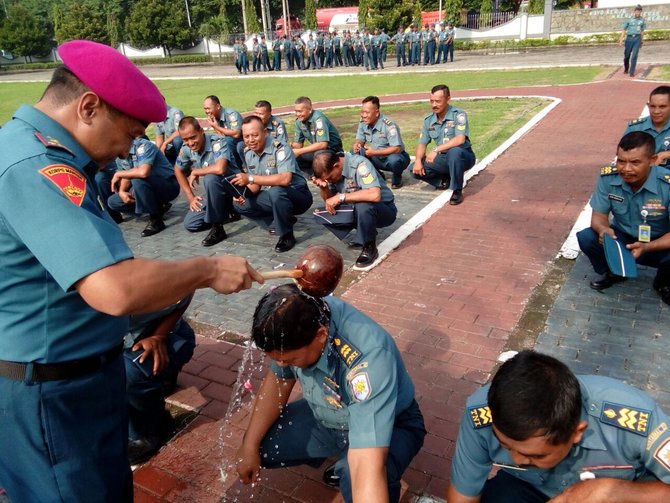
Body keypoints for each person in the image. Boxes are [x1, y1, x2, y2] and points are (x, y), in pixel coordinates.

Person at [0, 39, 261, 503]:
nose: (127, 151)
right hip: (52, 395)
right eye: (129, 133)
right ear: (88, 107)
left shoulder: (31, 149)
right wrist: (207, 269)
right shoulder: (36, 166)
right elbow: (113, 288)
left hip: (72, 379)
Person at [235, 284, 426, 503]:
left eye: (290, 360)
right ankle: (344, 456)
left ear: (321, 335)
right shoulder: (300, 318)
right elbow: (279, 380)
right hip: (329, 415)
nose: (281, 365)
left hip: (394, 424)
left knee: (357, 478)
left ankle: (356, 466)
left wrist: (359, 470)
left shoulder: (369, 361)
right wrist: (249, 445)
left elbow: (366, 462)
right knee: (261, 443)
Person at [446, 350, 670, 503]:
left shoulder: (635, 421)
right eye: (505, 445)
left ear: (576, 432)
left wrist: (613, 491)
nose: (516, 460)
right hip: (529, 488)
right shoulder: (482, 415)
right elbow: (463, 495)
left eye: (534, 456)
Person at [576, 131, 670, 303]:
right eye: (621, 161)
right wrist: (604, 230)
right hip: (623, 239)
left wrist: (647, 247)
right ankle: (615, 271)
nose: (626, 169)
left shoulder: (667, 184)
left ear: (652, 160)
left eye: (635, 163)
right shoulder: (608, 178)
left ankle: (664, 283)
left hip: (659, 243)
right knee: (587, 237)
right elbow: (598, 216)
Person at [125, 293, 195, 465]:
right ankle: (161, 379)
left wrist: (159, 336)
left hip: (171, 335)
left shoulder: (163, 269)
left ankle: (149, 430)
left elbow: (188, 287)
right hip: (125, 338)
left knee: (130, 372)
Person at [230, 116, 313, 253]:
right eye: (246, 136)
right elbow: (256, 184)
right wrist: (242, 194)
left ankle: (286, 235)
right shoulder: (248, 152)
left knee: (276, 191)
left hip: (298, 196)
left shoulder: (280, 148)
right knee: (240, 203)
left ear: (264, 132)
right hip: (275, 196)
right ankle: (278, 221)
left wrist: (250, 178)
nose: (250, 140)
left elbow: (285, 179)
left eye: (255, 135)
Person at [311, 150, 397, 268]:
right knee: (322, 213)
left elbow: (374, 195)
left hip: (384, 209)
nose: (330, 181)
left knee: (364, 204)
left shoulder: (360, 165)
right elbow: (330, 202)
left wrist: (342, 197)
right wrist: (324, 188)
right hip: (356, 208)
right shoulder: (333, 173)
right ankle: (365, 230)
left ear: (336, 166)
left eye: (330, 178)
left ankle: (369, 247)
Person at [175, 116, 241, 247]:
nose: (190, 142)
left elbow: (220, 169)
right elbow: (177, 170)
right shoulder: (186, 149)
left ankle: (218, 227)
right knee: (191, 224)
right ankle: (225, 212)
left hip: (235, 190)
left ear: (201, 131)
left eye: (193, 137)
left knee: (211, 178)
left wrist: (195, 171)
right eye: (185, 139)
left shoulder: (218, 142)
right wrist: (190, 198)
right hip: (215, 194)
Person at [410, 84, 476, 205]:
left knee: (454, 152)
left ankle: (457, 190)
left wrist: (436, 150)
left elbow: (460, 139)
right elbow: (422, 143)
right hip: (444, 158)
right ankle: (442, 180)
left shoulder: (458, 114)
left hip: (463, 156)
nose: (434, 105)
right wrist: (418, 160)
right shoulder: (428, 120)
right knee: (413, 169)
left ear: (448, 99)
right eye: (432, 101)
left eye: (438, 101)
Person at [108, 136, 180, 237]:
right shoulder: (119, 154)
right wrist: (122, 191)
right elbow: (126, 173)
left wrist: (118, 174)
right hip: (144, 187)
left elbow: (143, 172)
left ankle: (156, 221)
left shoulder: (143, 146)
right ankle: (156, 208)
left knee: (137, 179)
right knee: (113, 202)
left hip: (167, 185)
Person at [353, 96, 410, 189]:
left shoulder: (389, 125)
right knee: (354, 152)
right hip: (376, 157)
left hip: (393, 157)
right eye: (362, 112)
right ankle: (378, 175)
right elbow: (360, 139)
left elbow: (397, 148)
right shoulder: (363, 122)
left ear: (376, 113)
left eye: (367, 112)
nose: (363, 115)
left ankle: (397, 178)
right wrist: (357, 144)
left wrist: (374, 152)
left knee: (395, 161)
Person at [291, 96, 344, 172]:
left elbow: (323, 144)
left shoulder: (319, 119)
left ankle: (323, 177)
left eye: (300, 111)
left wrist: (299, 151)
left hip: (333, 150)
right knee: (294, 158)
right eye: (296, 111)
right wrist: (290, 148)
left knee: (318, 157)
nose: (297, 114)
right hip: (318, 150)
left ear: (309, 110)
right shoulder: (298, 122)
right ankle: (311, 177)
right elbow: (298, 145)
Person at [625, 86, 670, 168]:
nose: (656, 111)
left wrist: (666, 154)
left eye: (662, 107)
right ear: (648, 105)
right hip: (643, 175)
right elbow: (624, 153)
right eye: (652, 106)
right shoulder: (635, 128)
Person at [203, 95, 244, 167]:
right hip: (230, 141)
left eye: (208, 108)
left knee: (226, 141)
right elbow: (221, 135)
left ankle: (236, 168)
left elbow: (237, 134)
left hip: (242, 140)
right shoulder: (214, 117)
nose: (207, 111)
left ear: (218, 106)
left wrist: (216, 126)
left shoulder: (231, 114)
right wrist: (215, 127)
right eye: (205, 109)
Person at [154, 99, 184, 165]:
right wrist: (157, 152)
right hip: (170, 145)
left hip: (183, 143)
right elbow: (159, 137)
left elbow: (180, 131)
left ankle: (183, 160)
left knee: (177, 140)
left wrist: (165, 143)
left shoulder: (176, 113)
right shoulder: (157, 116)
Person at [620, 4, 645, 78]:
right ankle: (626, 68)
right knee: (627, 56)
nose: (638, 12)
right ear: (634, 11)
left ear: (641, 12)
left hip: (637, 39)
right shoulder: (629, 19)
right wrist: (621, 39)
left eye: (639, 11)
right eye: (637, 11)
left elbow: (642, 31)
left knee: (634, 56)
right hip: (629, 39)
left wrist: (641, 40)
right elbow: (624, 30)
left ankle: (632, 71)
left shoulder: (642, 20)